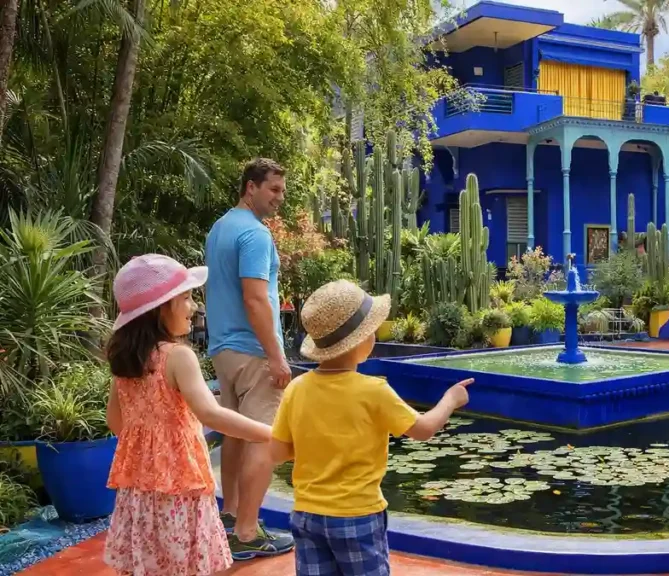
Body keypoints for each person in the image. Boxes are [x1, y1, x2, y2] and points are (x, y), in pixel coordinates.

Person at [270, 280, 472, 576]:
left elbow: (277, 451)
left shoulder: (297, 389)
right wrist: (450, 399)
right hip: (358, 516)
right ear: (363, 341)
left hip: (307, 514)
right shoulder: (374, 391)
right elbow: (423, 429)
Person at [103, 254, 273, 576]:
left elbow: (116, 423)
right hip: (180, 486)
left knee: (150, 563)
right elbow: (211, 414)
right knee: (183, 563)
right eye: (185, 298)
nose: (193, 306)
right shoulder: (178, 356)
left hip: (139, 491)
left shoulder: (125, 362)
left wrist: (148, 442)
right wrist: (270, 434)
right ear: (160, 308)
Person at [205, 158, 295, 559]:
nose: (280, 198)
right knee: (265, 436)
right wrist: (276, 356)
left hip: (223, 349)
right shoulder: (255, 235)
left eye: (282, 190)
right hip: (254, 351)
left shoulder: (220, 228)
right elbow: (255, 297)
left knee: (236, 433)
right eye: (273, 189)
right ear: (250, 187)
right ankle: (246, 533)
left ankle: (229, 515)